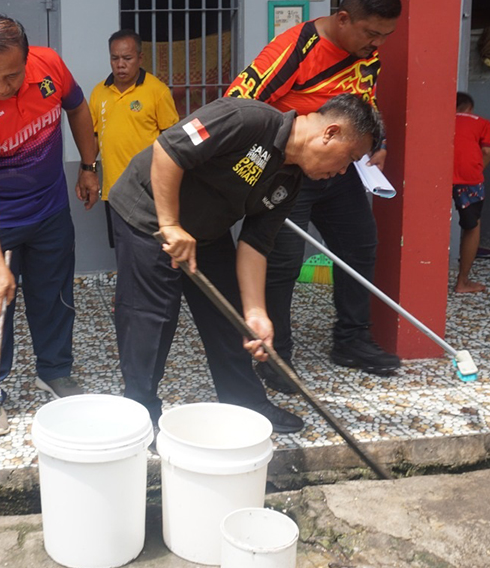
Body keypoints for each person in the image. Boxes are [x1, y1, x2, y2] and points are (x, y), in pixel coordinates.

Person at [107, 93, 384, 433]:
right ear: (331, 132)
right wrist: (169, 224)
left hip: (206, 230)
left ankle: (246, 404)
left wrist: (256, 314)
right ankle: (141, 414)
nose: (341, 171)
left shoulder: (290, 180)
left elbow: (255, 242)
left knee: (231, 317)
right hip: (148, 214)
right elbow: (169, 148)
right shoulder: (247, 119)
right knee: (153, 318)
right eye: (348, 159)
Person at [225, 0, 402, 391]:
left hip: (341, 172)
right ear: (343, 18)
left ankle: (352, 340)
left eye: (385, 36)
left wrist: (378, 143)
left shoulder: (367, 55)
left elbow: (365, 102)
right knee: (282, 262)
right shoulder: (295, 48)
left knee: (360, 245)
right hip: (291, 173)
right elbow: (239, 105)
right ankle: (275, 355)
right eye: (371, 33)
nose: (377, 44)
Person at [0, 14, 100, 435]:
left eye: (11, 76)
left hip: (50, 211)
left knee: (55, 295)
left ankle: (54, 370)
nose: (0, 86)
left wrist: (89, 165)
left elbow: (79, 108)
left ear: (28, 60)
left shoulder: (49, 66)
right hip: (0, 221)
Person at [89, 29, 179, 246]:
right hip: (114, 190)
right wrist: (88, 171)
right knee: (121, 246)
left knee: (151, 247)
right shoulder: (99, 92)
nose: (120, 64)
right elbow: (93, 137)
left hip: (148, 189)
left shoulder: (157, 91)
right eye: (115, 58)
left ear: (140, 58)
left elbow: (173, 140)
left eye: (127, 58)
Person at [453, 91, 490, 293]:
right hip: (469, 178)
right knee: (472, 227)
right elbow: (487, 151)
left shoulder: (442, 118)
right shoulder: (482, 122)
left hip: (439, 175)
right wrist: (478, 168)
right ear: (469, 108)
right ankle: (462, 282)